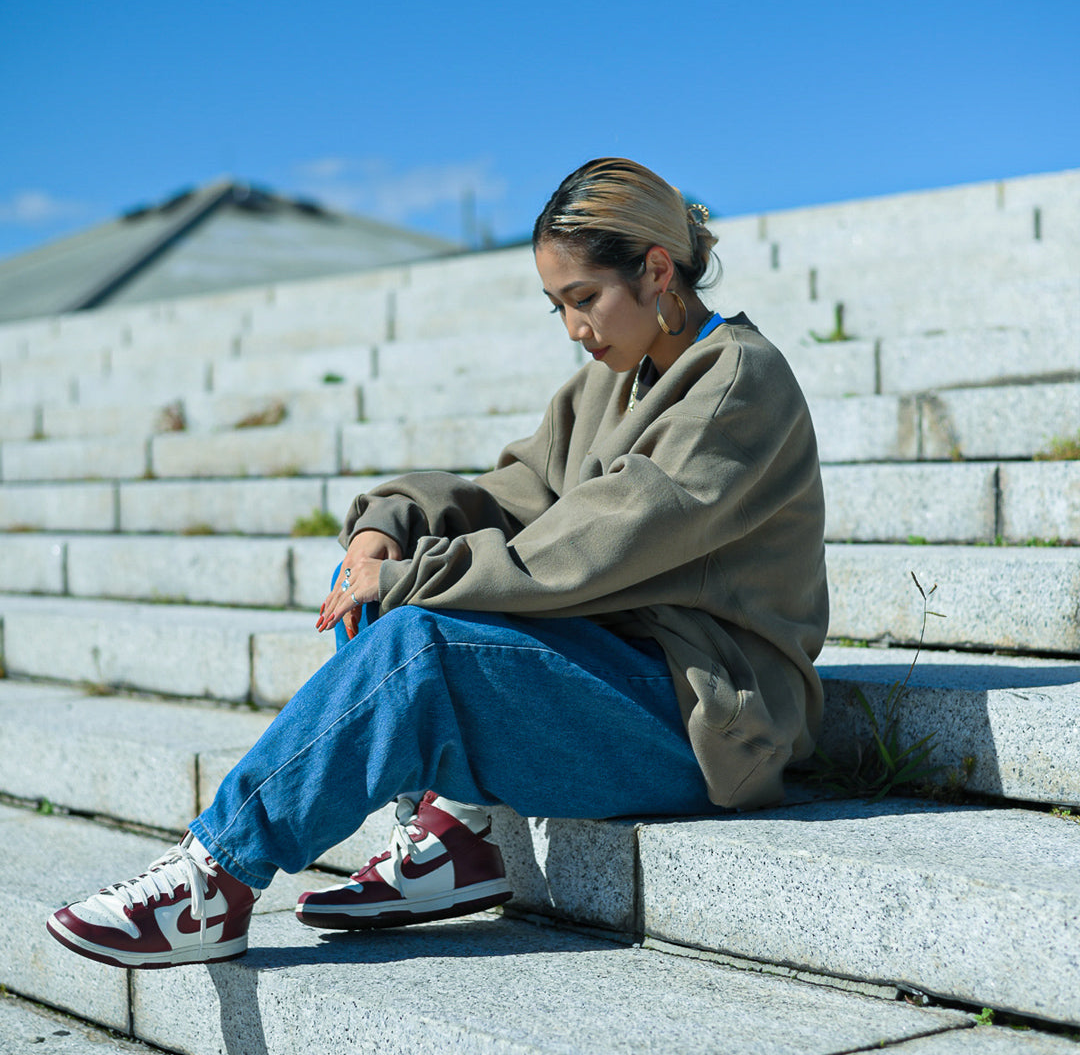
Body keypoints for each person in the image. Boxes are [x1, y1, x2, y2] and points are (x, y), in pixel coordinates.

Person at [47, 157, 828, 969]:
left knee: (417, 641)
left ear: (657, 270)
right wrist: (388, 528)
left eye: (584, 298)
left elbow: (594, 544)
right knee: (383, 591)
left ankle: (215, 879)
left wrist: (410, 577)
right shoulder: (609, 384)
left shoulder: (737, 382)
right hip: (619, 675)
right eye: (558, 306)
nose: (573, 329)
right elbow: (515, 495)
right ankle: (451, 841)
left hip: (711, 716)